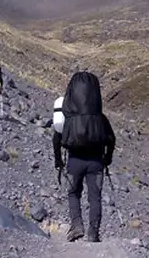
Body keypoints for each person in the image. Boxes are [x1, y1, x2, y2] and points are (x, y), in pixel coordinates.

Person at [53, 71, 116, 243]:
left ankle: (77, 226)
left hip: (74, 161)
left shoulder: (67, 116)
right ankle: (93, 233)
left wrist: (58, 160)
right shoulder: (100, 118)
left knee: (73, 193)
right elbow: (111, 139)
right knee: (95, 197)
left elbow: (56, 138)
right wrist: (107, 159)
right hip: (96, 162)